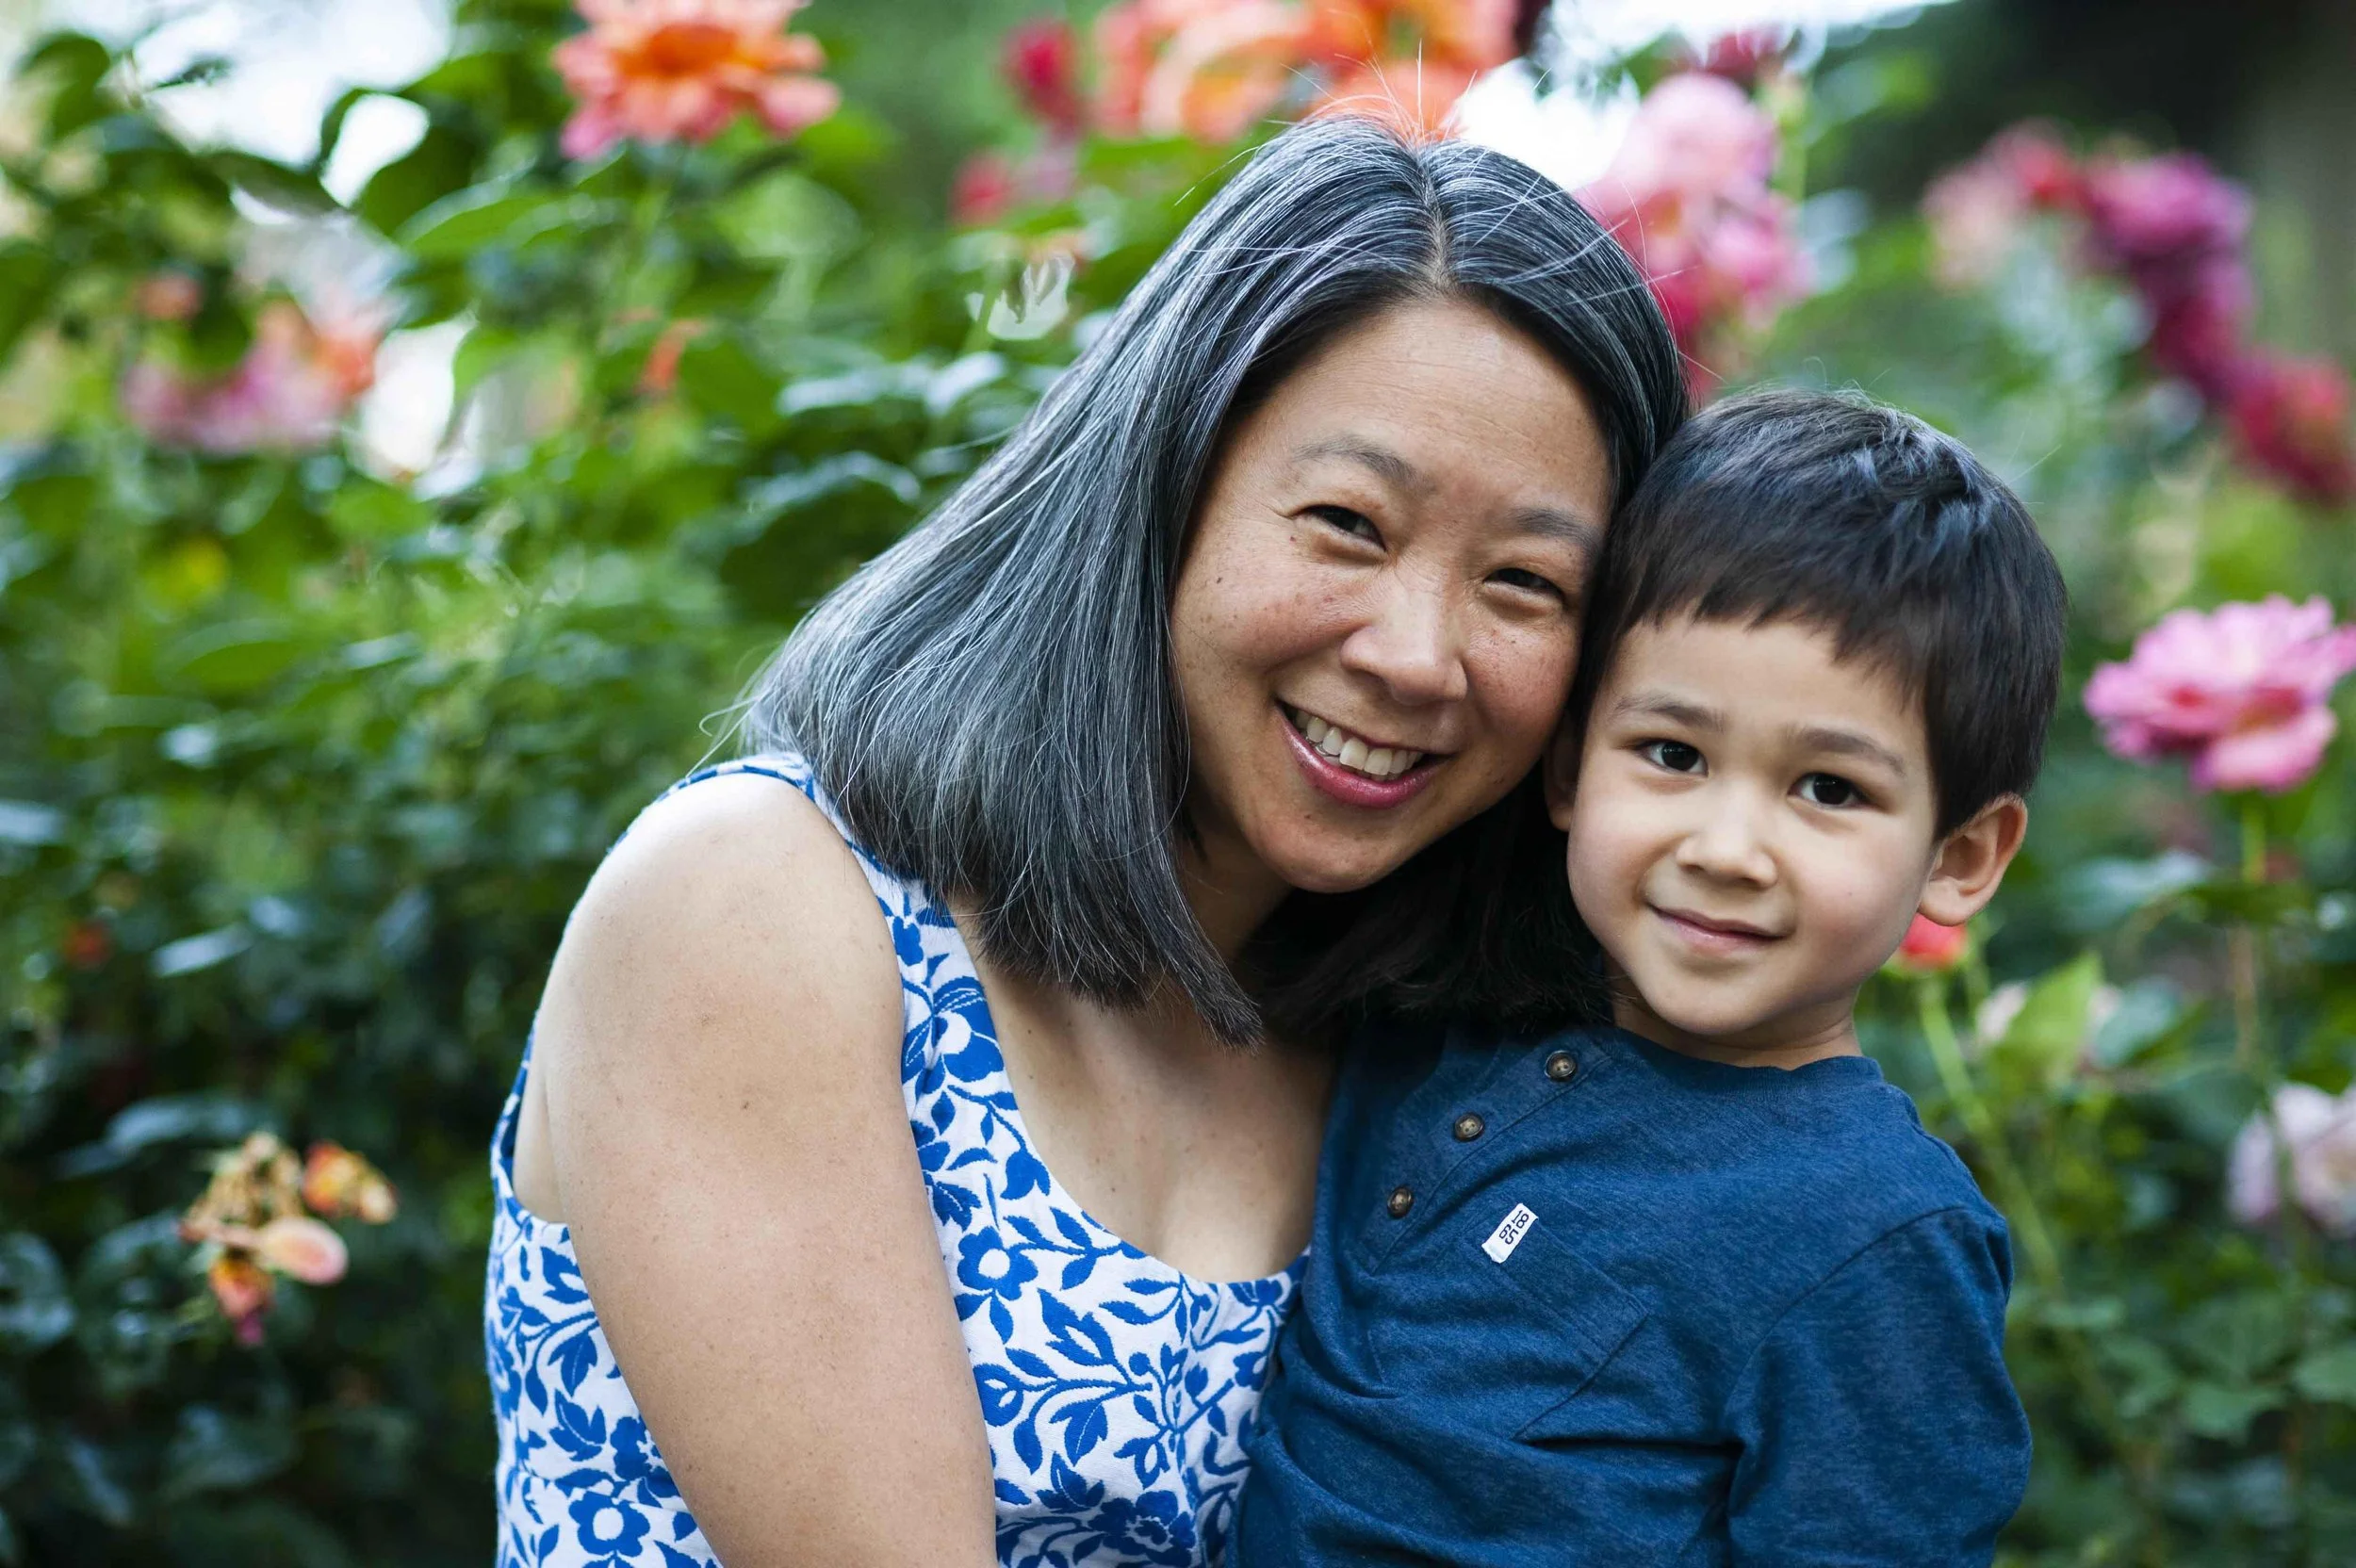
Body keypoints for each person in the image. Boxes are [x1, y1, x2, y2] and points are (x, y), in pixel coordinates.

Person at [483, 115, 1687, 1568]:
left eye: (1526, 584)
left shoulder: (1429, 1066)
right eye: (1348, 524)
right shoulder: (762, 906)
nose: (1421, 656)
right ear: (1161, 490)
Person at [1235, 388, 2066, 1565]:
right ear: (1571, 767)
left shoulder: (1874, 1235)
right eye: (1671, 755)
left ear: (1959, 856)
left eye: (1827, 788)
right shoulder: (1445, 1000)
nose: (1724, 848)